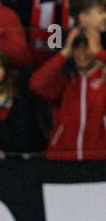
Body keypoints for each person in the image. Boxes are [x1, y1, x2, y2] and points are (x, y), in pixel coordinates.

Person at [30, 26, 106, 158]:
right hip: (63, 158)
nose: (82, 53)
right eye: (76, 47)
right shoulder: (65, 78)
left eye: (87, 47)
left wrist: (100, 52)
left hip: (100, 160)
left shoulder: (104, 76)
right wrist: (64, 53)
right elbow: (36, 84)